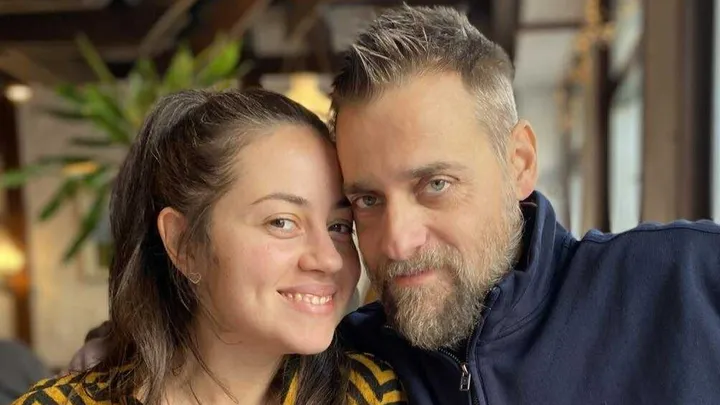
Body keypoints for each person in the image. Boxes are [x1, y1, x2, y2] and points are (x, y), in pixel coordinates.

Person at [70, 4, 720, 405]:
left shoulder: (689, 282)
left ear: (520, 161)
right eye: (366, 201)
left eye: (435, 184)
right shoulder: (356, 358)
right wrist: (120, 352)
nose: (398, 239)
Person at [13, 89, 405, 405]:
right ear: (184, 243)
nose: (329, 258)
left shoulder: (372, 393)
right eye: (281, 222)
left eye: (339, 226)